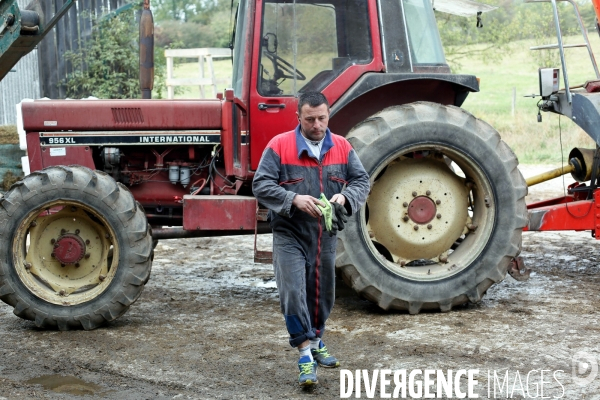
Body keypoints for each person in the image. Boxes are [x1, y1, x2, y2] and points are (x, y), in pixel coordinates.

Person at [252, 91, 370, 386]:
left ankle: (317, 340)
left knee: (322, 293)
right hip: (289, 232)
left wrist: (345, 196)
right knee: (292, 291)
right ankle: (304, 354)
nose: (317, 125)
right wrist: (292, 198)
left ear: (328, 116)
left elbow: (361, 180)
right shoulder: (279, 146)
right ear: (299, 118)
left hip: (325, 233)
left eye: (322, 118)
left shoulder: (342, 147)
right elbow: (261, 184)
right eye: (310, 119)